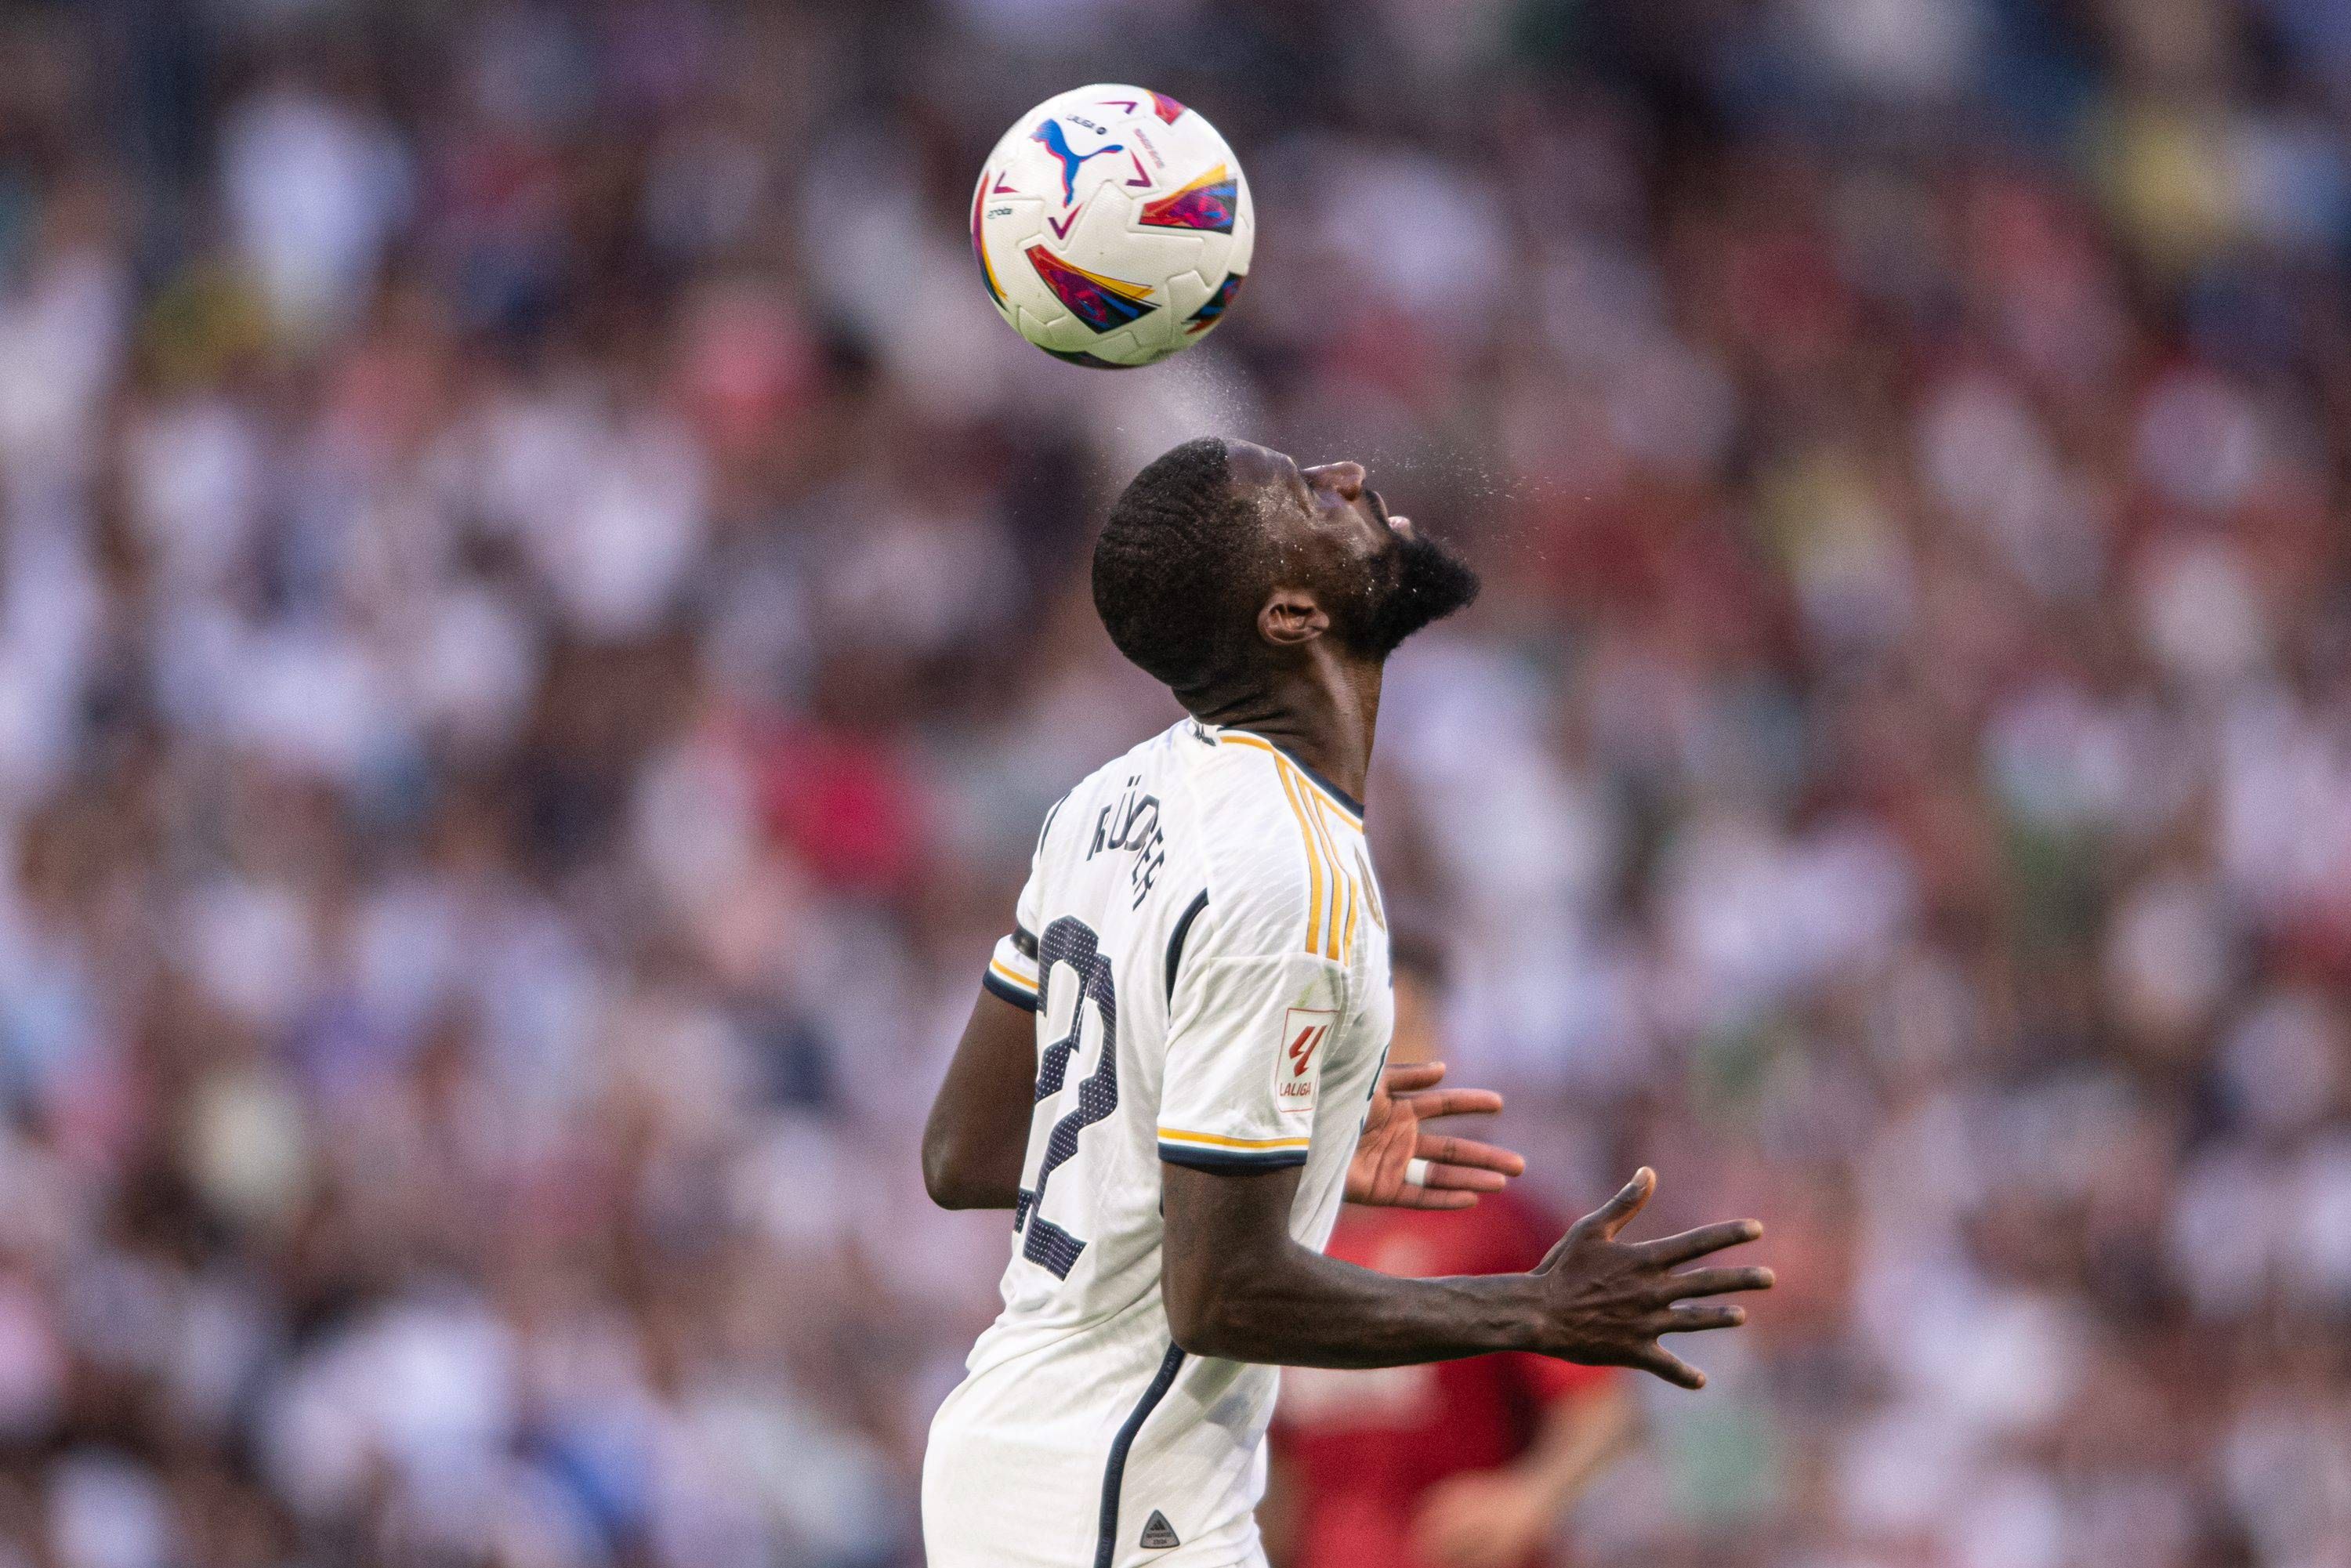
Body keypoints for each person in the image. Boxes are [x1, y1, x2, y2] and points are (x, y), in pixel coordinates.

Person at [918, 437, 1772, 1568]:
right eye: (1304, 494)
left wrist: (1287, 1153)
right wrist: (1536, 1309)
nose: (1351, 475)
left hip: (1021, 1457)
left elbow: (963, 1151)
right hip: (1118, 1491)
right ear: (1289, 615)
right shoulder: (1289, 867)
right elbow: (1218, 1294)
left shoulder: (1107, 799)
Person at [1264, 934, 1635, 1568]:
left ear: (1441, 1046)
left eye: (1404, 1033)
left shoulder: (1499, 1226)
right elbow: (1275, 1467)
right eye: (1358, 1036)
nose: (1383, 1063)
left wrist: (1530, 1496)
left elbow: (1603, 1409)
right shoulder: (1270, 1241)